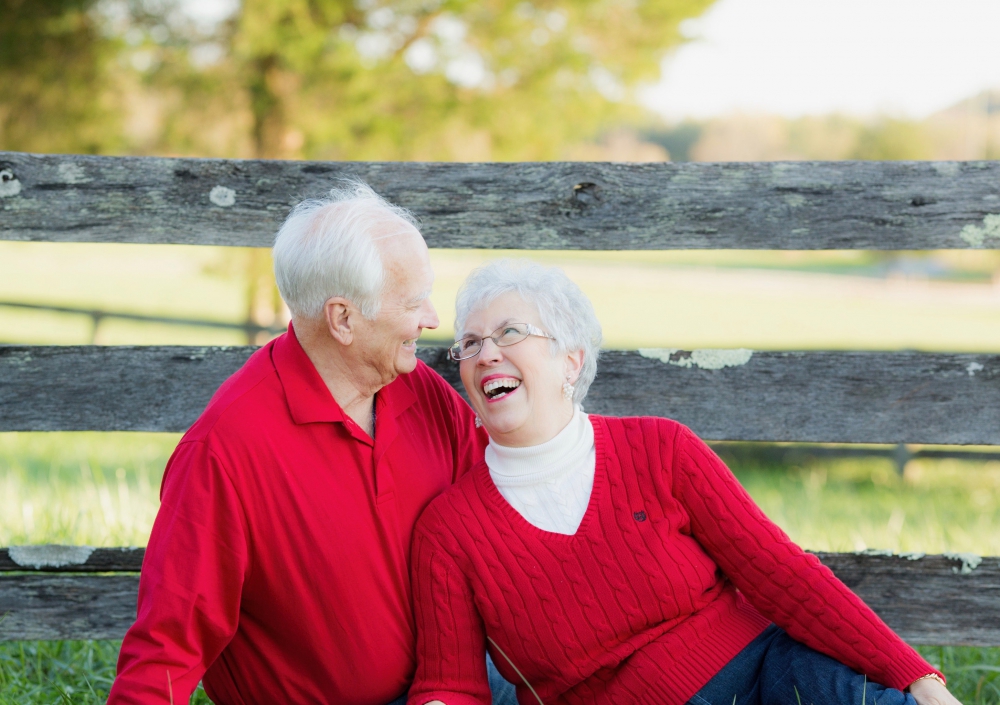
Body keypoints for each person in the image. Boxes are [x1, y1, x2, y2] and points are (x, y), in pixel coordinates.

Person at [407, 259, 963, 705]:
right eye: (471, 343)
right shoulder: (450, 530)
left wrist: (917, 677)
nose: (487, 354)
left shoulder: (660, 448)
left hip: (767, 671)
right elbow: (450, 684)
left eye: (509, 333)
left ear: (570, 362)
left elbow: (783, 575)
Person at [109, 182, 515, 704]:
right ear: (343, 318)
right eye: (414, 302)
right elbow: (166, 644)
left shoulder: (420, 390)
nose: (432, 319)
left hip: (461, 682)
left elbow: (494, 526)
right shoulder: (226, 451)